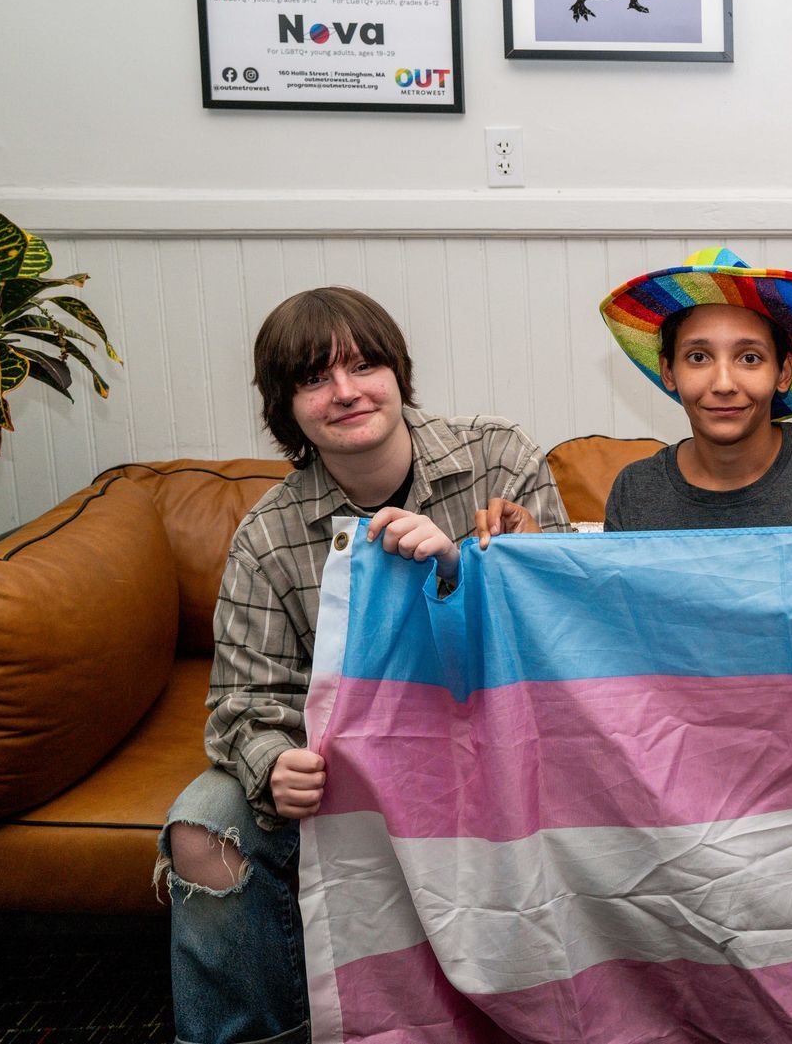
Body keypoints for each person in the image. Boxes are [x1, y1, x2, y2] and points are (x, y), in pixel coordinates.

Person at [159, 287, 568, 1044]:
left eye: (364, 365)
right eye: (315, 378)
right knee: (203, 825)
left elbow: (566, 633)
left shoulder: (499, 455)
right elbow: (240, 700)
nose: (345, 391)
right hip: (356, 782)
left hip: (500, 753)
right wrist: (272, 761)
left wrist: (466, 569)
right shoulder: (267, 535)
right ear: (287, 407)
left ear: (398, 373)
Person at [599, 248, 792, 543]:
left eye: (749, 358)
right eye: (698, 357)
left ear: (783, 373)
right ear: (669, 371)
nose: (724, 384)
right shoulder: (636, 492)